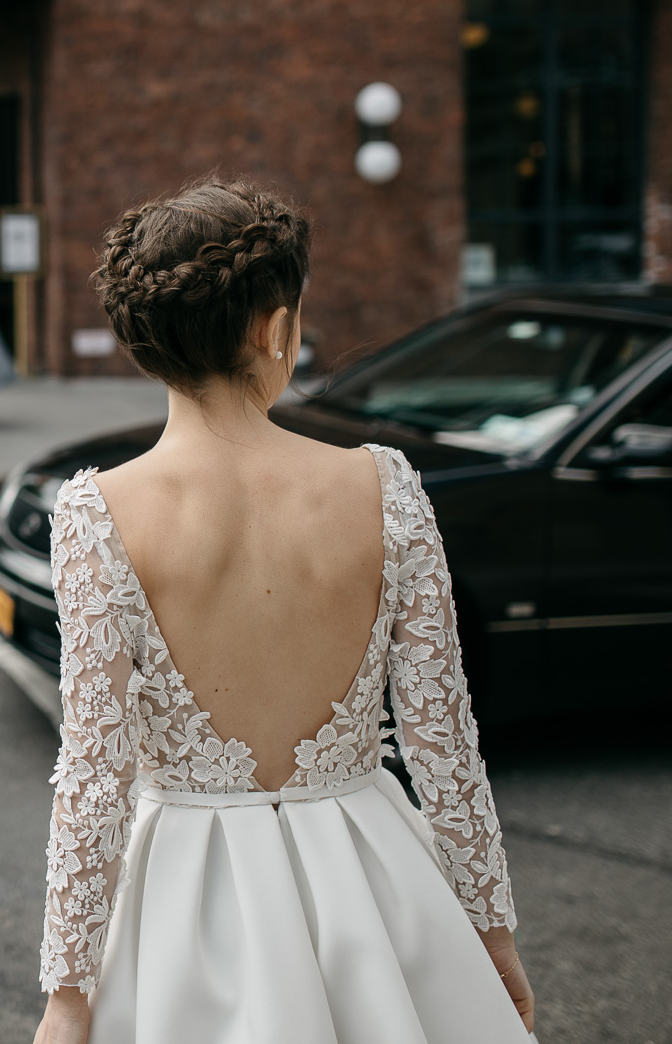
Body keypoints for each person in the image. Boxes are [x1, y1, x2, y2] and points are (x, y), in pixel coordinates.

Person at [33, 177, 535, 1044]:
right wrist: (491, 935)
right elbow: (442, 742)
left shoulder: (98, 515)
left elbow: (94, 776)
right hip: (374, 888)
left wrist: (69, 995)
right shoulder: (384, 488)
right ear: (275, 329)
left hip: (185, 904)